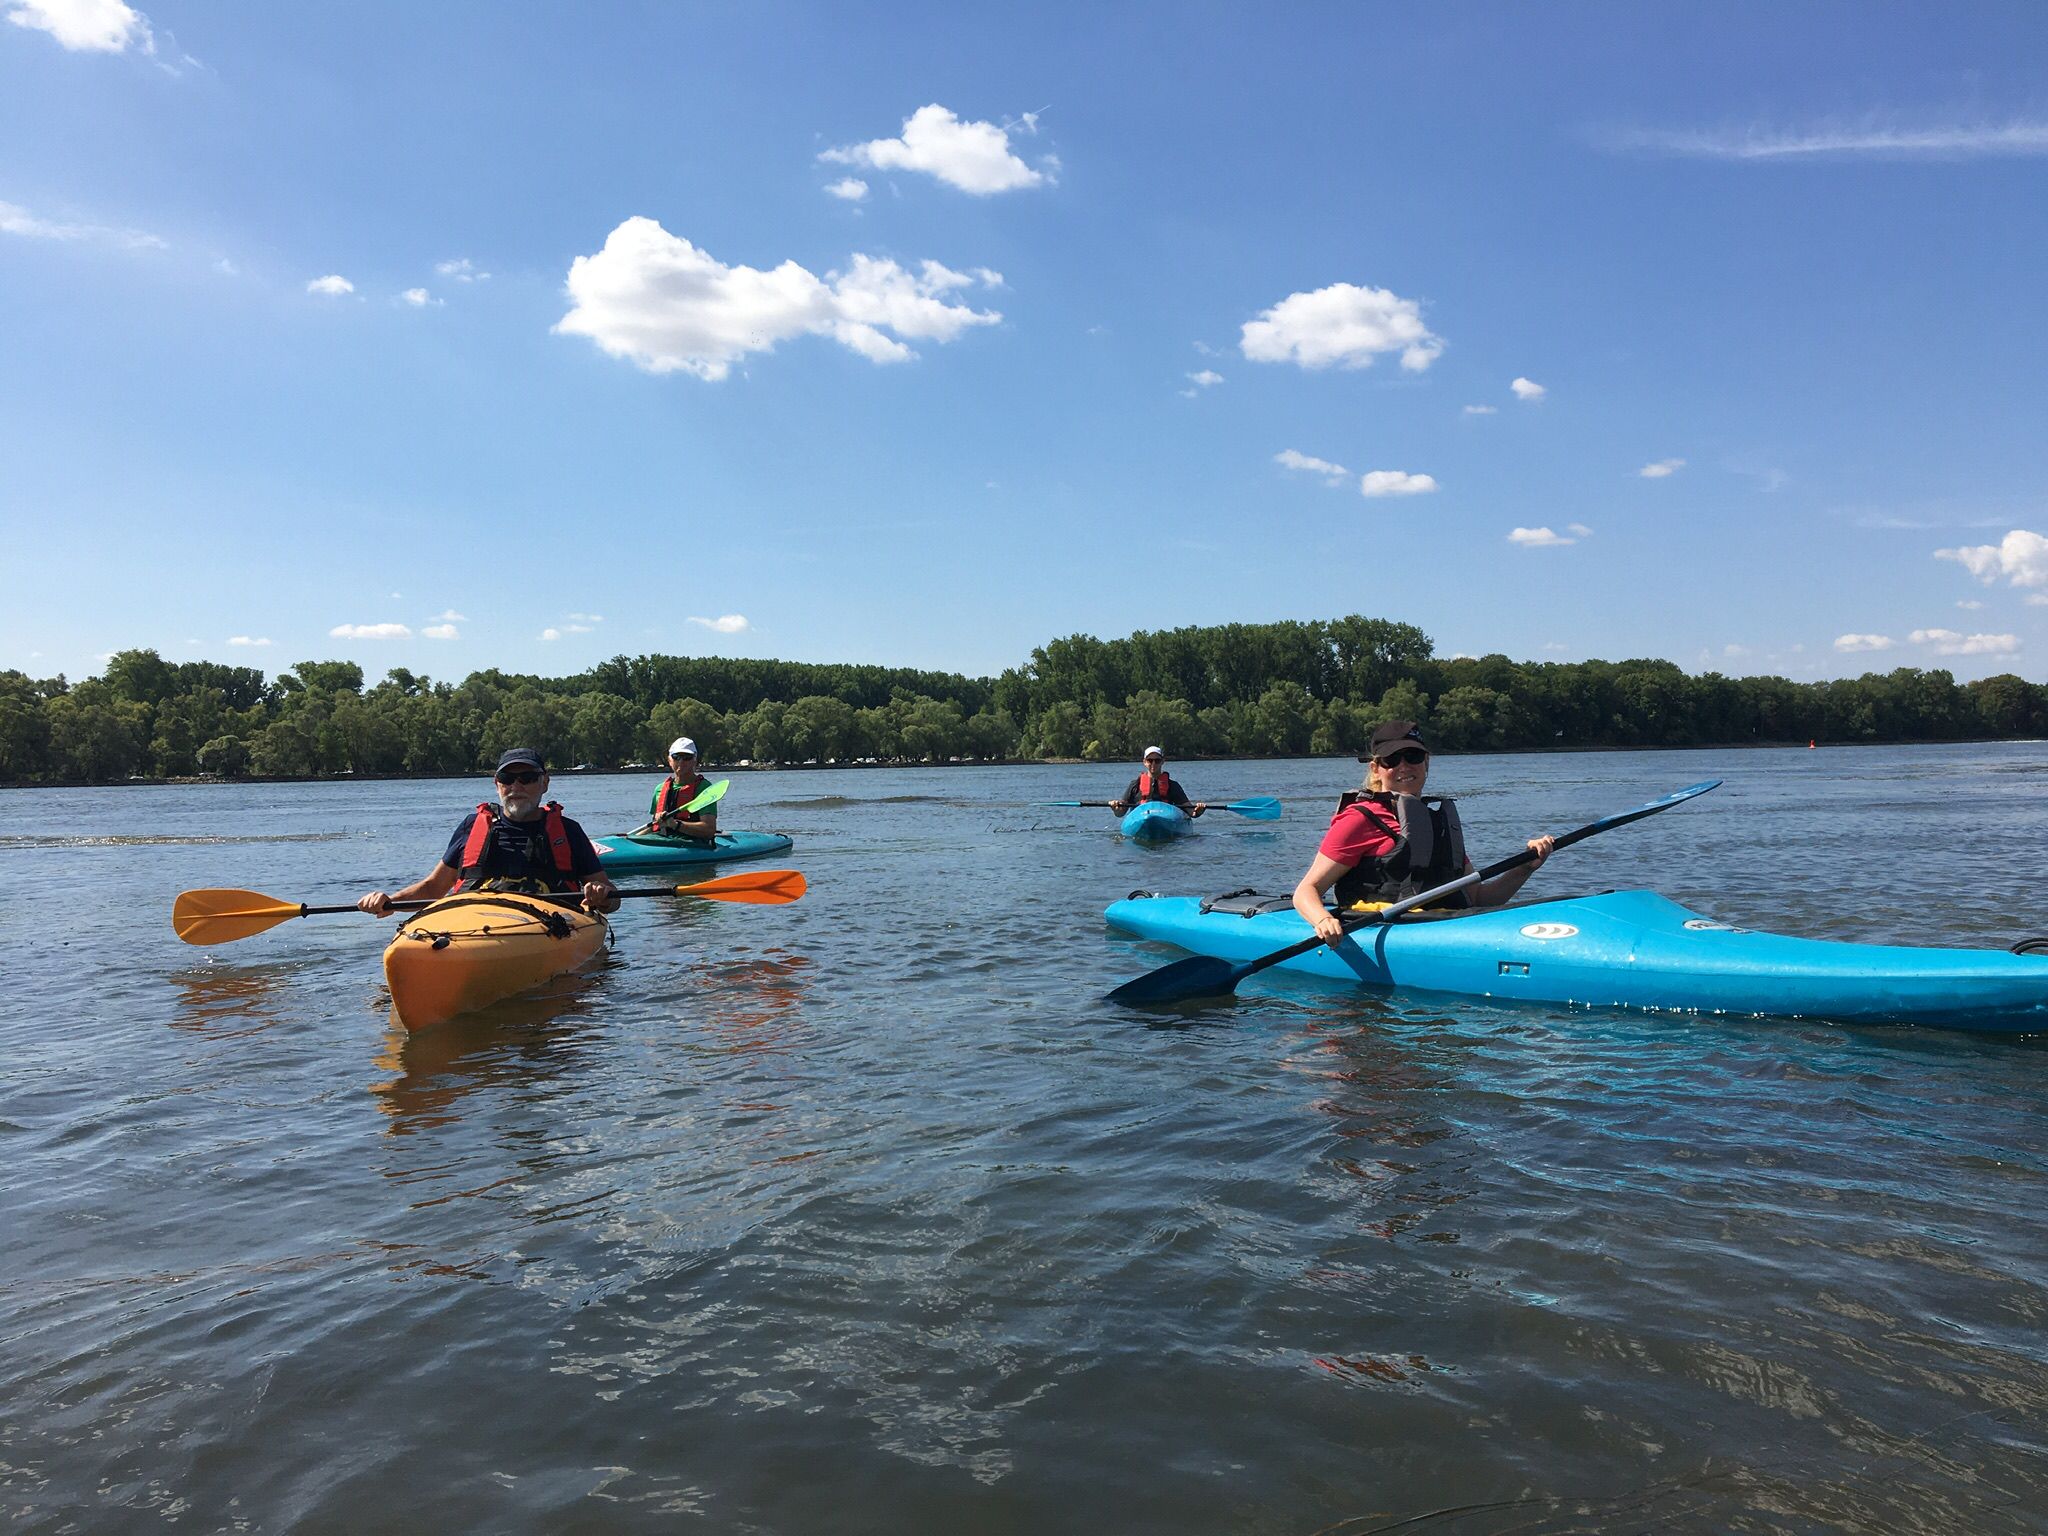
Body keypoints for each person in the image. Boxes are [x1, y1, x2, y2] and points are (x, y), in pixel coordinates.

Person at [1291, 720, 1553, 942]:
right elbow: (1306, 891)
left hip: (1443, 927)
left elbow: (1479, 898)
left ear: (1427, 762)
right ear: (1376, 769)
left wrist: (1524, 868)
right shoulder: (1360, 819)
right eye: (1392, 759)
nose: (1404, 766)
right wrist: (1323, 920)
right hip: (1382, 931)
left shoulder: (1437, 821)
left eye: (1413, 756)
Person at [357, 747, 619, 917]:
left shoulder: (568, 831)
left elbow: (612, 899)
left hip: (548, 924)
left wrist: (601, 896)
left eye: (527, 778)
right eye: (507, 779)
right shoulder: (471, 827)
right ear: (497, 784)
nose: (516, 786)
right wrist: (389, 901)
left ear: (544, 783)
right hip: (473, 925)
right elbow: (433, 888)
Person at [645, 736, 718, 840]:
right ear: (669, 760)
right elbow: (654, 826)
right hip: (664, 842)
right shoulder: (659, 789)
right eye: (676, 757)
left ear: (694, 760)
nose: (681, 762)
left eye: (687, 757)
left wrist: (675, 824)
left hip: (694, 844)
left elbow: (709, 830)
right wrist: (628, 839)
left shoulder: (704, 788)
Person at [1108, 746, 1207, 819]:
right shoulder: (1135, 785)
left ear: (1162, 761)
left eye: (1157, 760)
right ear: (1145, 762)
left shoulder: (1173, 785)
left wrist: (1198, 811)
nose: (1153, 763)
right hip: (1141, 817)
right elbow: (1120, 813)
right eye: (1150, 760)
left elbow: (1191, 812)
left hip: (1166, 819)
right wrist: (1115, 808)